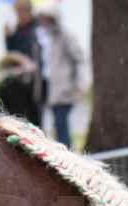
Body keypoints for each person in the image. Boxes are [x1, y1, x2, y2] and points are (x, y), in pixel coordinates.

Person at [34, 3, 87, 148]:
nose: (43, 22)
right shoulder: (41, 37)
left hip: (63, 89)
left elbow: (80, 60)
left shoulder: (66, 36)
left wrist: (81, 84)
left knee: (60, 125)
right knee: (43, 124)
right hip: (45, 85)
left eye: (46, 18)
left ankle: (66, 154)